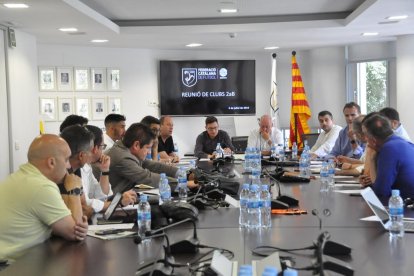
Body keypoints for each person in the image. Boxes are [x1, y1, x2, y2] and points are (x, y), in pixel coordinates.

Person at [0, 134, 88, 261]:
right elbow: (75, 233)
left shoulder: (19, 177)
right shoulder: (41, 187)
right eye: (66, 160)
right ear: (51, 162)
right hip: (13, 267)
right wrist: (74, 191)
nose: (69, 166)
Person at [61, 125, 136, 218]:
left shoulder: (85, 167)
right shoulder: (67, 173)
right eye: (102, 147)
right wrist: (117, 202)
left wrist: (104, 171)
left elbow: (100, 197)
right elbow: (85, 206)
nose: (92, 152)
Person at [107, 123, 197, 193]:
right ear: (136, 145)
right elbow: (146, 177)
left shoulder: (125, 149)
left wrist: (183, 174)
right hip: (113, 204)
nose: (149, 152)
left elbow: (152, 165)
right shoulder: (122, 157)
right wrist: (183, 184)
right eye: (148, 148)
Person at [361, 114, 414, 200]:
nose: (365, 140)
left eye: (365, 136)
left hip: (405, 209)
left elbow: (380, 192)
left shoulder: (389, 149)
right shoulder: (403, 142)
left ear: (373, 140)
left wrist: (371, 158)